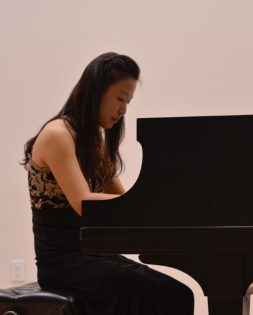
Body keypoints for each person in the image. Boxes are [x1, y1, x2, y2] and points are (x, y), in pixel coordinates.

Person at [22, 52, 194, 314]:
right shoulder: (58, 135)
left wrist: (163, 205)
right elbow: (84, 203)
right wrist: (146, 200)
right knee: (171, 295)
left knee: (177, 293)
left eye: (129, 101)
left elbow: (122, 200)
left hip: (90, 256)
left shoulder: (93, 142)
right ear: (96, 92)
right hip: (63, 263)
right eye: (121, 98)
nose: (124, 109)